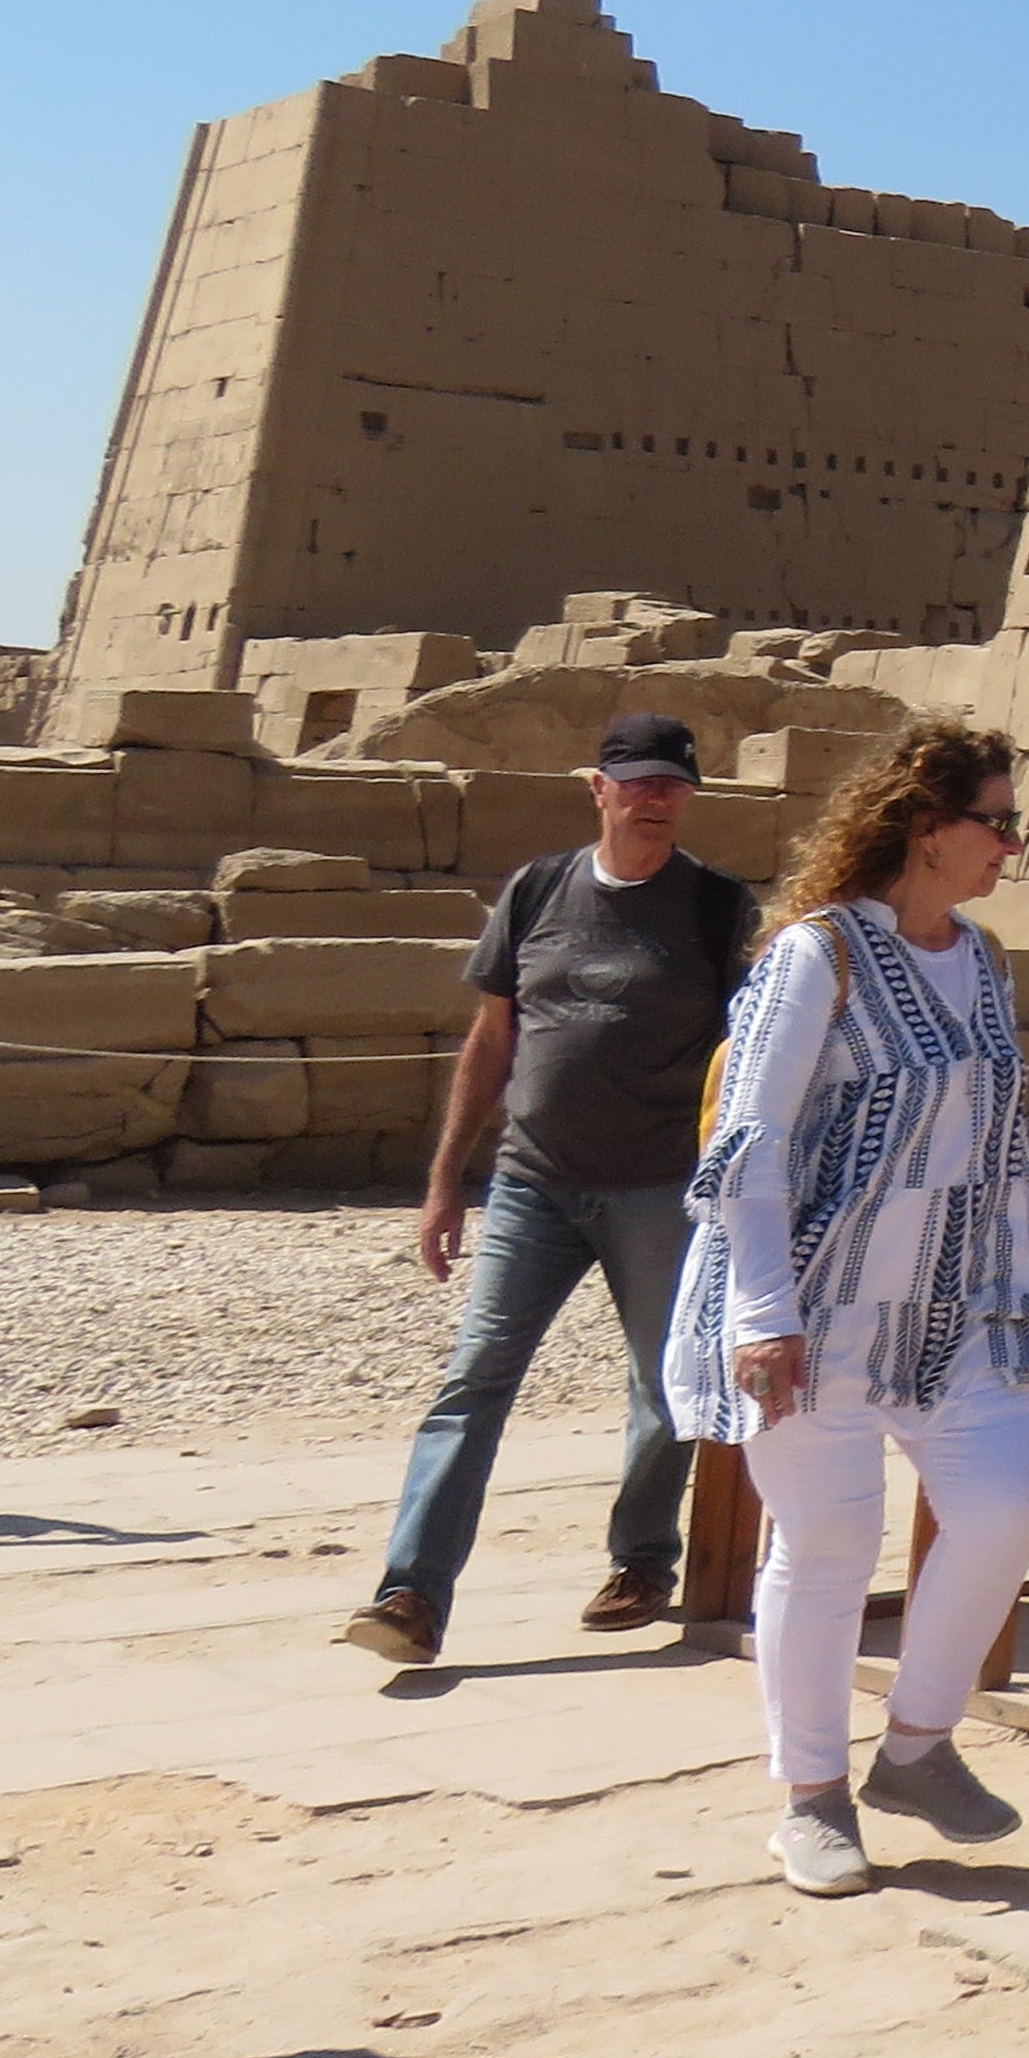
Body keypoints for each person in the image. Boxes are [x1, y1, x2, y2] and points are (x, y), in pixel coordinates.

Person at [664, 722, 1029, 1900]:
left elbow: (1000, 1140)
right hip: (815, 1305)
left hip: (957, 1299)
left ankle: (919, 1746)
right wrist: (761, 1312)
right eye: (996, 818)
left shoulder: (982, 958)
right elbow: (755, 1146)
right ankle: (811, 1798)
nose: (1011, 843)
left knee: (1007, 1500)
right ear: (925, 826)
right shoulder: (817, 956)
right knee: (828, 1548)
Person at [342, 714, 759, 1668]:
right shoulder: (537, 891)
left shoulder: (718, 909)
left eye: (674, 786)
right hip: (533, 1184)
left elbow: (751, 1050)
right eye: (640, 783)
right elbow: (492, 1039)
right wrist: (447, 1181)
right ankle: (410, 1594)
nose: (656, 799)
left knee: (666, 1387)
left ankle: (642, 1560)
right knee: (472, 1385)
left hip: (662, 1189)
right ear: (599, 790)